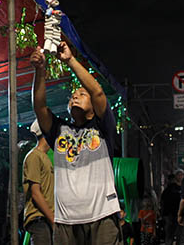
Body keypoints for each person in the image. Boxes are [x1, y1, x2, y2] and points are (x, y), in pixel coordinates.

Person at [31, 44, 121, 244]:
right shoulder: (59, 130)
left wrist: (70, 60)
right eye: (72, 96)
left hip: (102, 216)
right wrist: (39, 71)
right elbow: (39, 107)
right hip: (66, 221)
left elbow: (97, 92)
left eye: (81, 94)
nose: (75, 97)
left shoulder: (102, 127)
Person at [23, 119, 56, 245]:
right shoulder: (33, 156)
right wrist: (52, 220)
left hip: (47, 218)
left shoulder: (46, 157)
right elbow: (35, 193)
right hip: (39, 218)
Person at [162, 173, 184, 245]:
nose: (180, 177)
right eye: (179, 175)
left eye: (181, 175)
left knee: (180, 235)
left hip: (180, 214)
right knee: (170, 234)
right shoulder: (170, 188)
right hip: (170, 214)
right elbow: (163, 200)